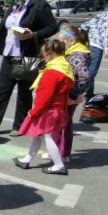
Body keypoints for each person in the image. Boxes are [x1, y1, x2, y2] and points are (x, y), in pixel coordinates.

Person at [0, 0, 58, 135]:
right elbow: (3, 29)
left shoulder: (39, 5)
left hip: (26, 55)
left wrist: (33, 34)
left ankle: (20, 125)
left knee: (23, 93)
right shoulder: (13, 6)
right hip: (8, 54)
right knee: (1, 92)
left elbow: (52, 27)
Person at [12, 39, 75, 175]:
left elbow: (44, 95)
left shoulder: (52, 72)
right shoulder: (65, 67)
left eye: (44, 54)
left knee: (48, 138)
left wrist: (34, 111)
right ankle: (26, 159)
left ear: (50, 53)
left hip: (48, 111)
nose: (43, 57)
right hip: (57, 109)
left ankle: (59, 165)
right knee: (37, 136)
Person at [57, 26, 91, 161]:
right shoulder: (73, 51)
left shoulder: (77, 54)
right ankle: (60, 151)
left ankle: (63, 153)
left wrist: (72, 94)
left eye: (62, 42)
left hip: (70, 95)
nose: (61, 44)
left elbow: (84, 77)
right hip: (68, 94)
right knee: (63, 123)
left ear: (71, 40)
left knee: (64, 124)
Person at [81, 0, 108, 101]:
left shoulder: (100, 15)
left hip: (89, 44)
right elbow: (107, 34)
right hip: (98, 47)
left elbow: (85, 25)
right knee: (92, 71)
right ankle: (85, 91)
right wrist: (107, 48)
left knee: (88, 68)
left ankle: (89, 92)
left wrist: (84, 37)